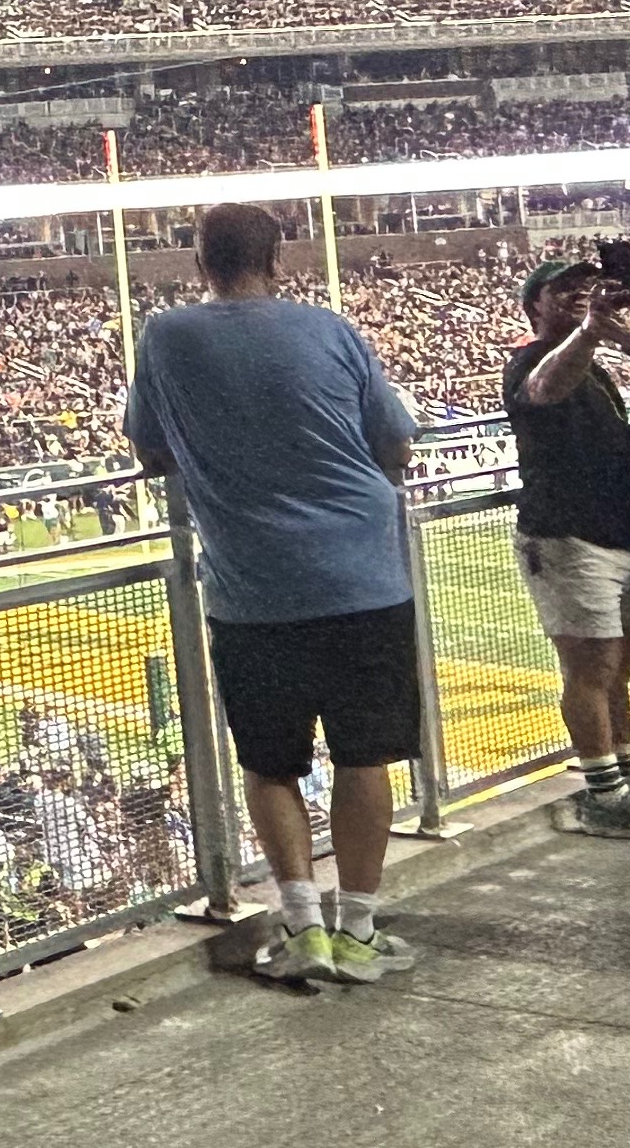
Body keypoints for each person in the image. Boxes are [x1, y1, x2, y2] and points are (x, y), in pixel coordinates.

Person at [122, 203, 422, 990]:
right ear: (278, 259)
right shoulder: (329, 329)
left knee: (270, 762)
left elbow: (149, 450)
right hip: (363, 574)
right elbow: (396, 442)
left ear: (199, 263)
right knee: (365, 757)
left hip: (252, 587)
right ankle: (359, 930)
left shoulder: (166, 336)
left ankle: (303, 927)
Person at [504, 257, 630, 824]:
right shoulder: (529, 359)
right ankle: (604, 790)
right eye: (564, 288)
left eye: (586, 285)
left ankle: (623, 771)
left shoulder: (598, 369)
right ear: (534, 306)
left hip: (618, 537)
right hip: (567, 537)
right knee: (591, 668)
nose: (581, 293)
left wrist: (627, 339)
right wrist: (589, 331)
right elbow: (545, 388)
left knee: (617, 668)